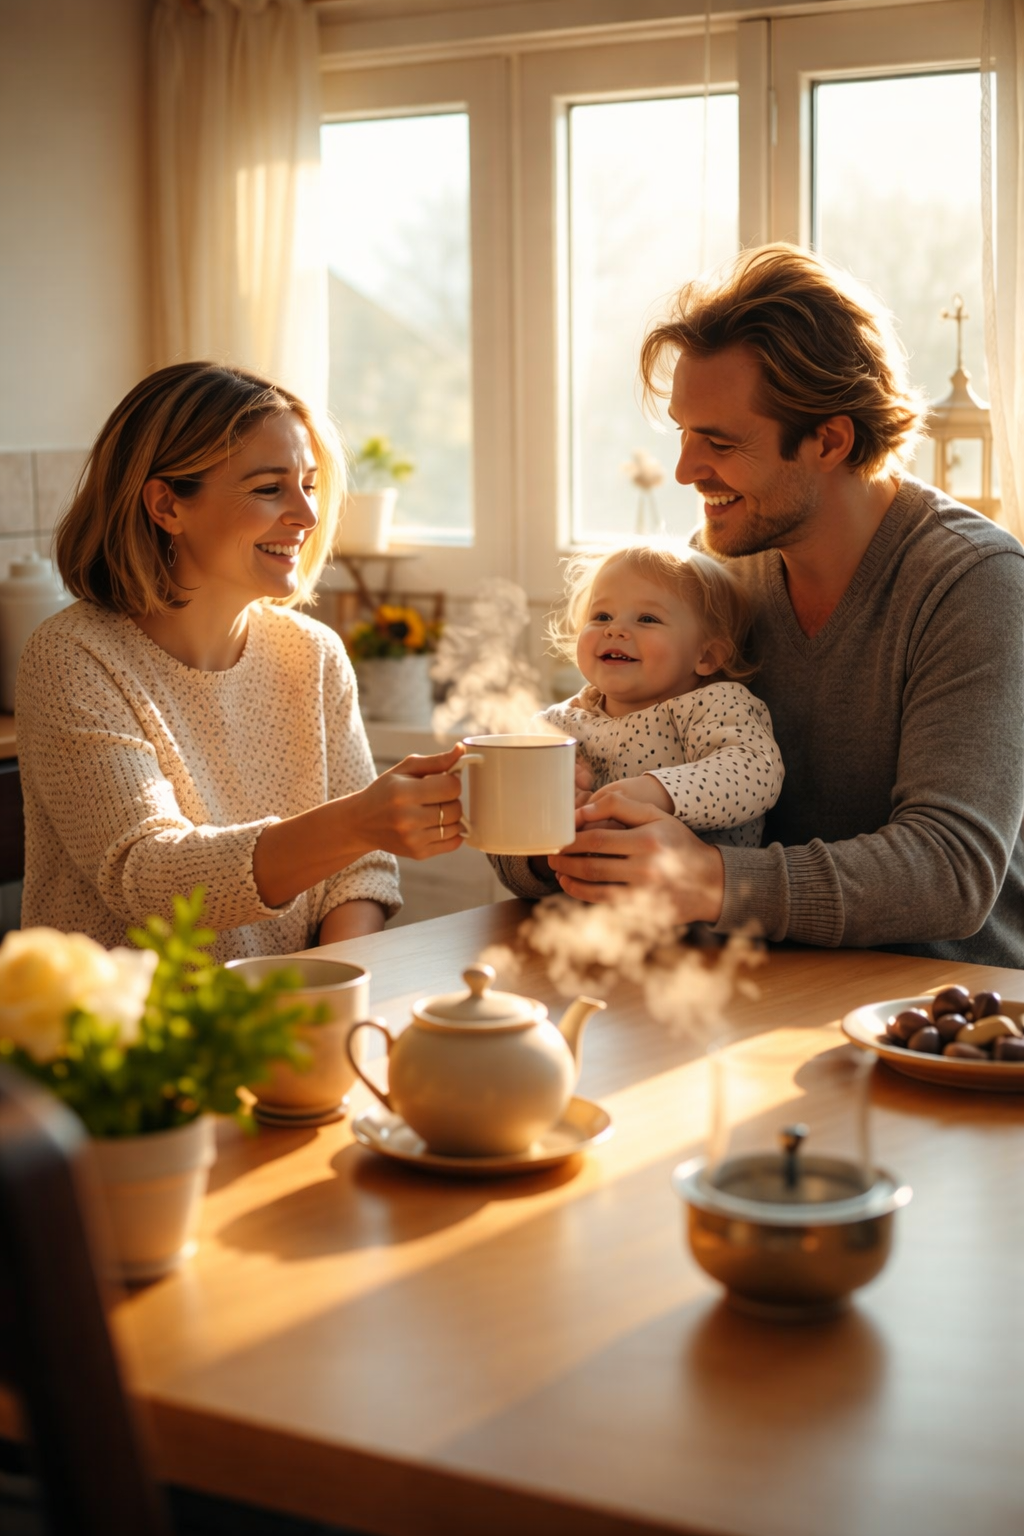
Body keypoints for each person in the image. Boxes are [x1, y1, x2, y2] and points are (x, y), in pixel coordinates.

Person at [528, 245, 1024, 967]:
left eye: (719, 441)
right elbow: (614, 770)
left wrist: (711, 880)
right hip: (754, 980)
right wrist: (544, 830)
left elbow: (950, 871)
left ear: (829, 440)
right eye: (683, 433)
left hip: (939, 1001)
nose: (685, 470)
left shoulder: (972, 582)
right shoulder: (717, 571)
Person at [16, 361, 466, 961]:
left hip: (290, 1009)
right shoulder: (72, 658)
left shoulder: (314, 654)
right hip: (140, 1018)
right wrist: (359, 821)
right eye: (269, 488)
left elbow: (361, 873)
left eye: (309, 485)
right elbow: (149, 877)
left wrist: (325, 987)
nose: (307, 516)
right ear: (167, 506)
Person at [490, 542, 784, 900]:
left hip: (698, 916)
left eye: (647, 619)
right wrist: (549, 814)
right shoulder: (557, 725)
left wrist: (656, 792)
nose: (615, 630)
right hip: (579, 918)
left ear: (706, 655)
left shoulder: (713, 705)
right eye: (602, 616)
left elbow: (755, 770)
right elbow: (507, 831)